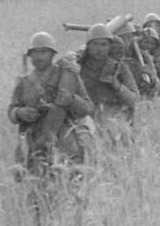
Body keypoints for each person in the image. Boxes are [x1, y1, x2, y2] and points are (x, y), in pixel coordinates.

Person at [8, 32, 95, 179]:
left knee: (71, 182)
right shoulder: (24, 82)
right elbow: (11, 111)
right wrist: (20, 112)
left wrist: (71, 100)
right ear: (30, 56)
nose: (39, 57)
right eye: (35, 53)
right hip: (34, 141)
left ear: (52, 54)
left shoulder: (68, 76)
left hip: (65, 138)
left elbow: (87, 107)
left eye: (44, 52)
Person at [77, 23, 139, 129]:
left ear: (110, 46)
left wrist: (117, 85)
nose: (99, 48)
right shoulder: (78, 66)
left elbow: (134, 100)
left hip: (113, 116)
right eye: (95, 44)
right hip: (86, 117)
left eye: (103, 44)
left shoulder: (119, 67)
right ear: (88, 46)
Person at [137, 28, 160, 94]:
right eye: (145, 42)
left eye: (152, 43)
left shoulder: (159, 62)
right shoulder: (133, 57)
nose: (148, 46)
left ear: (156, 46)